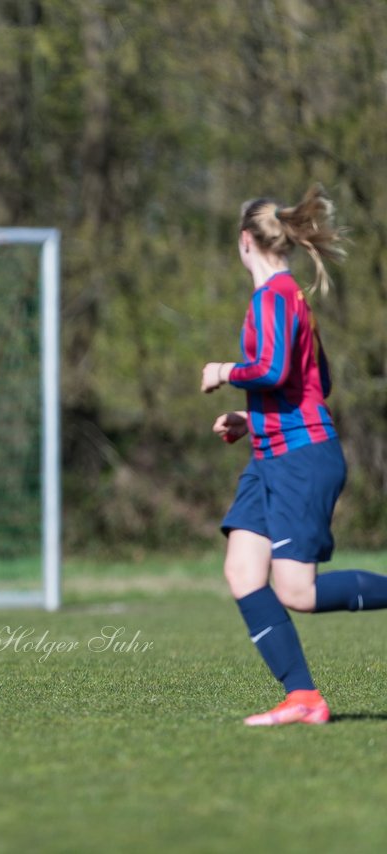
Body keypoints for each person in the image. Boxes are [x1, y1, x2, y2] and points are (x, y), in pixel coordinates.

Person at [202, 184, 387, 726]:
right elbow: (315, 379)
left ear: (244, 242)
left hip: (301, 457)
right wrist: (251, 418)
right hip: (273, 454)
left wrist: (226, 372)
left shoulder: (274, 298)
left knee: (296, 591)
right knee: (242, 570)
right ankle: (303, 698)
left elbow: (275, 371)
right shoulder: (292, 299)